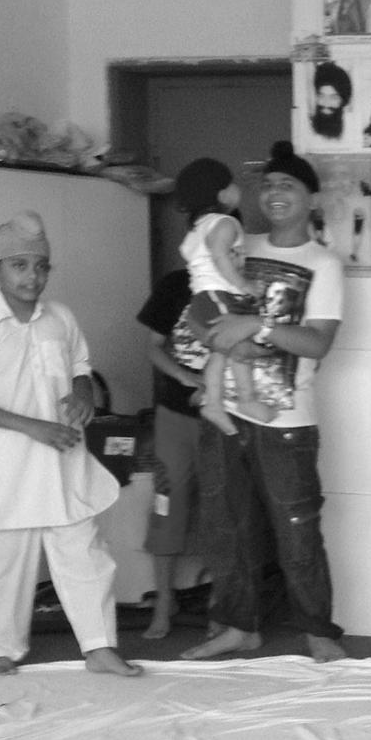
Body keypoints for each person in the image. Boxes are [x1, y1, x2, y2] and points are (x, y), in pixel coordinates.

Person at [182, 141, 348, 665]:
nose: (275, 193)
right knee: (225, 524)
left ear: (310, 198)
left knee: (297, 529)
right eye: (269, 184)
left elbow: (318, 341)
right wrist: (217, 335)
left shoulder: (323, 262)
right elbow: (193, 315)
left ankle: (319, 631)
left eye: (289, 185)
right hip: (224, 411)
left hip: (287, 419)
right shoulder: (233, 239)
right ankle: (238, 626)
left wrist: (257, 326)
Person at [0, 212, 141, 678]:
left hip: (64, 456)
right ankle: (0, 647)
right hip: (8, 463)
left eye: (41, 266)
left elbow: (80, 365)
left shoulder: (62, 318)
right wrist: (33, 427)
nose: (32, 276)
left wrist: (84, 392)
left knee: (85, 553)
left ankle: (99, 647)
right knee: (4, 559)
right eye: (19, 266)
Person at [174, 157, 268, 437]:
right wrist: (245, 284)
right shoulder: (225, 223)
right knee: (239, 349)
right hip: (219, 295)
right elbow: (219, 256)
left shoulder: (198, 226)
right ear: (222, 193)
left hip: (204, 297)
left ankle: (214, 402)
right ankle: (246, 399)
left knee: (220, 353)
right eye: (232, 184)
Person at [136, 267, 206, 640]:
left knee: (224, 510)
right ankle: (164, 601)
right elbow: (152, 345)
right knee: (168, 504)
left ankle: (227, 606)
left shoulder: (243, 287)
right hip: (175, 416)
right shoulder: (176, 284)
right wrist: (183, 376)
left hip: (224, 419)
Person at [311, 61, 353, 141]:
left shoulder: (351, 131)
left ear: (343, 101)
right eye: (321, 96)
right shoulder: (307, 128)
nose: (326, 104)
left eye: (333, 98)